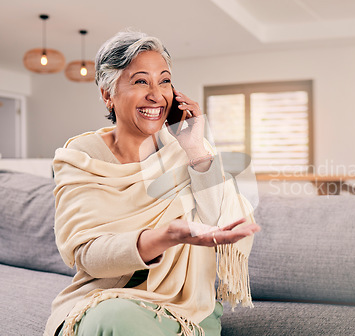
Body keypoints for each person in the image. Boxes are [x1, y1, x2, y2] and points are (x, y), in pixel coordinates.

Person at [44, 30, 260, 336]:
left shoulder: (190, 151)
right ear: (108, 95)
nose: (156, 94)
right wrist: (164, 237)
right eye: (140, 81)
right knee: (114, 317)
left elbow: (222, 221)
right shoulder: (80, 157)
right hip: (101, 300)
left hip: (186, 307)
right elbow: (87, 255)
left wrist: (196, 149)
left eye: (165, 80)